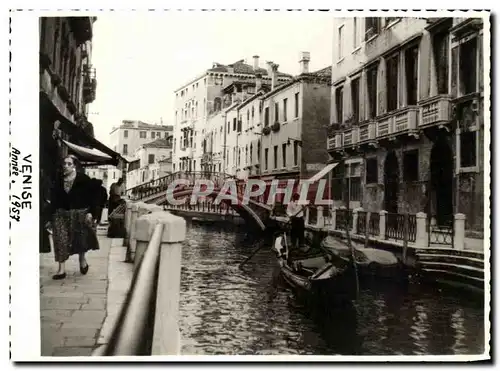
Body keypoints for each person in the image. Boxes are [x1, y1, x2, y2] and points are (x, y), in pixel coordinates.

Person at [46, 155, 100, 280]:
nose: (66, 166)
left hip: (79, 213)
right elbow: (53, 199)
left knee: (80, 240)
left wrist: (91, 212)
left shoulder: (84, 179)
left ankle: (82, 260)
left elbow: (93, 197)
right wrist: (49, 217)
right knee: (60, 240)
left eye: (69, 164)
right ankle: (61, 270)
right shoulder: (58, 179)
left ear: (75, 166)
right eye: (64, 163)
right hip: (60, 214)